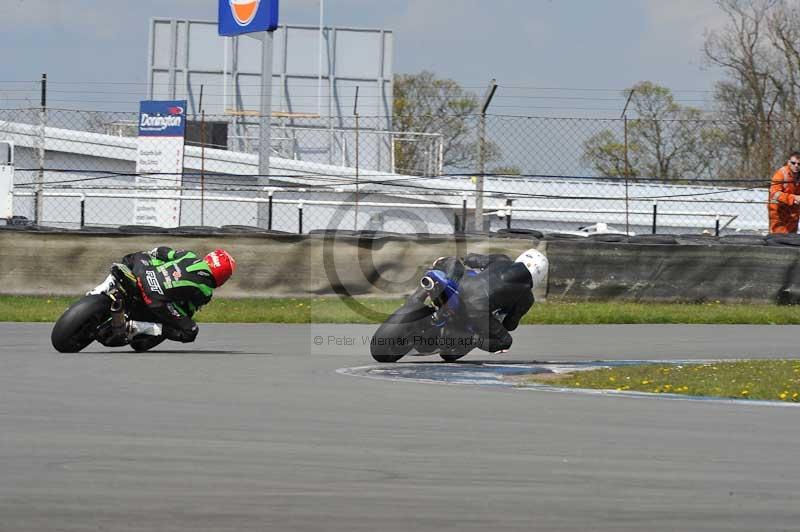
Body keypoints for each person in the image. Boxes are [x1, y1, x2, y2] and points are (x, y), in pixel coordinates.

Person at [89, 246, 236, 345]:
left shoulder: (189, 255)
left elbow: (161, 251)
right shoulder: (206, 292)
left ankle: (99, 290)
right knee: (190, 332)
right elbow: (187, 310)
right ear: (222, 276)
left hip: (142, 271)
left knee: (136, 257)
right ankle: (137, 327)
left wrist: (153, 259)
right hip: (155, 299)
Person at [426, 249, 548, 354]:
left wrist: (466, 259)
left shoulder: (502, 259)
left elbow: (472, 259)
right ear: (540, 276)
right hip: (478, 310)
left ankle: (430, 294)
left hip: (462, 286)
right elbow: (510, 324)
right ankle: (467, 338)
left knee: (450, 269)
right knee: (505, 341)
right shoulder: (527, 298)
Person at [768, 152, 800, 233]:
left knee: (792, 240)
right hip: (779, 211)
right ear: (788, 162)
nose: (796, 165)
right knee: (779, 239)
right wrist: (794, 198)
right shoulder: (781, 173)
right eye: (793, 163)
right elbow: (775, 193)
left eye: (799, 164)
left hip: (793, 213)